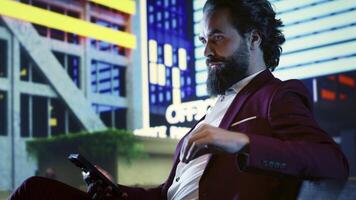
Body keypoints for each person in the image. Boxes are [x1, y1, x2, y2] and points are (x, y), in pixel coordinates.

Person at [8, 0, 349, 199]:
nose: (205, 51)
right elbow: (166, 193)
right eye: (203, 39)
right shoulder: (211, 112)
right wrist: (117, 190)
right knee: (35, 190)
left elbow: (331, 162)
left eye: (217, 38)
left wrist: (239, 142)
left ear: (254, 39)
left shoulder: (277, 94)